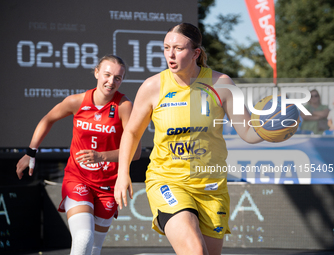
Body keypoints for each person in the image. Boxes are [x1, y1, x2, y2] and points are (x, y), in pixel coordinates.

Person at [114, 23, 262, 255]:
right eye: (166, 48)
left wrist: (272, 130)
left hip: (211, 188)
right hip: (169, 181)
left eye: (178, 49)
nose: (170, 55)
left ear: (196, 53)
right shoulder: (154, 86)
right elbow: (131, 132)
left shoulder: (221, 83)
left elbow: (248, 132)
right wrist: (123, 173)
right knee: (195, 250)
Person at [16, 55, 141, 255]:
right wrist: (30, 152)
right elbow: (48, 119)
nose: (111, 81)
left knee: (93, 249)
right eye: (107, 75)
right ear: (97, 73)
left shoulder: (124, 106)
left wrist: (101, 156)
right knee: (83, 238)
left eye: (118, 78)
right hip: (78, 178)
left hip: (108, 185)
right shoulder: (77, 101)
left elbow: (136, 152)